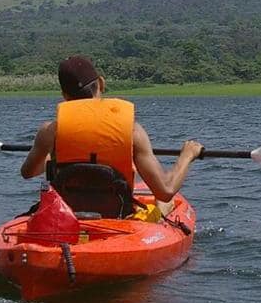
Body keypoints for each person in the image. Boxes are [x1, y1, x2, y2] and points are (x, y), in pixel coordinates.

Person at [20, 55, 204, 210]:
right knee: (166, 203)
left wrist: (57, 155)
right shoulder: (132, 131)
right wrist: (186, 156)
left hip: (67, 217)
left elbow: (28, 172)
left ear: (64, 95)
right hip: (117, 216)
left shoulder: (49, 132)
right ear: (101, 83)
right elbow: (165, 191)